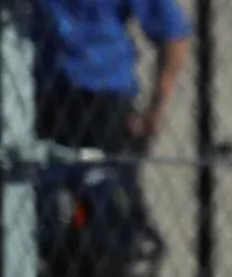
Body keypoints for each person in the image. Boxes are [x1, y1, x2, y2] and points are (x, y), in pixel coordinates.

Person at [33, 0, 186, 160]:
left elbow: (173, 33)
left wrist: (156, 107)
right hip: (44, 92)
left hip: (105, 96)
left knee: (104, 176)